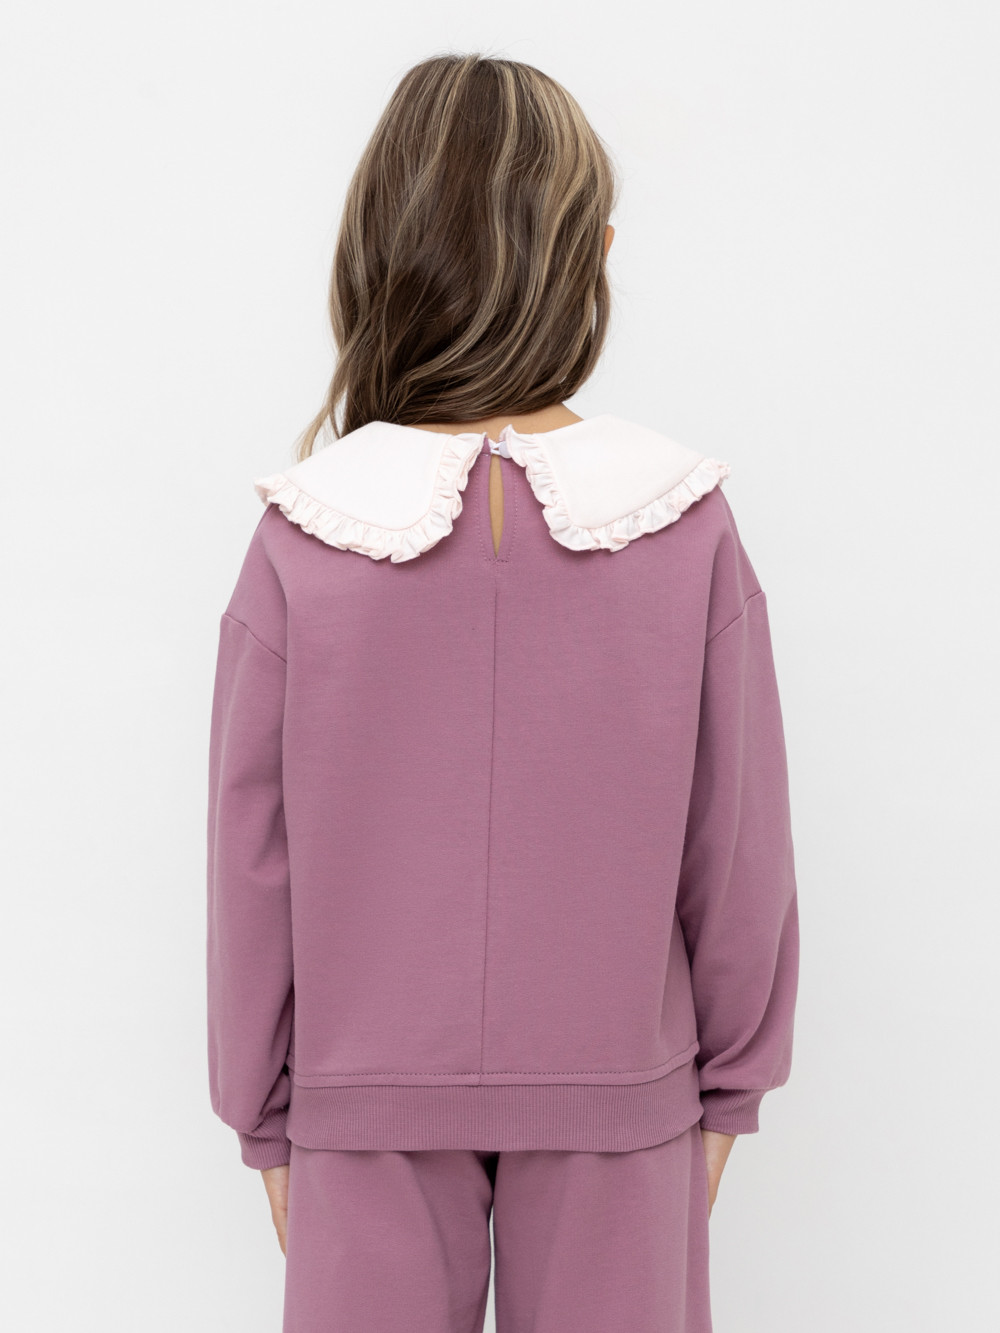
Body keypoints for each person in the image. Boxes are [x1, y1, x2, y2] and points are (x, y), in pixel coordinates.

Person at [206, 51, 800, 1333]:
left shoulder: (307, 531)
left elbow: (253, 858)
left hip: (362, 1101)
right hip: (620, 1092)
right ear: (585, 257)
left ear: (379, 250)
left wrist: (264, 1110)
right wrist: (729, 1086)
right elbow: (738, 840)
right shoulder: (680, 519)